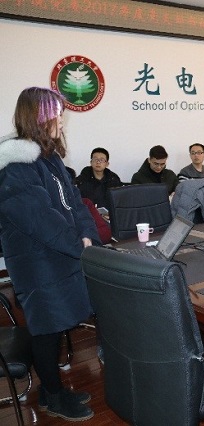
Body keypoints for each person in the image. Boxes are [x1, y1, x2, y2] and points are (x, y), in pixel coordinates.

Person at [0, 87, 99, 421]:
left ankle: (48, 392)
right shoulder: (15, 167)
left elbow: (76, 203)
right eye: (56, 115)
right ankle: (54, 397)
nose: (61, 121)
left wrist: (87, 235)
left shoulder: (49, 158)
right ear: (39, 119)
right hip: (38, 265)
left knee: (54, 328)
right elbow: (43, 221)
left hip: (59, 258)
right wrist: (79, 245)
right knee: (46, 330)